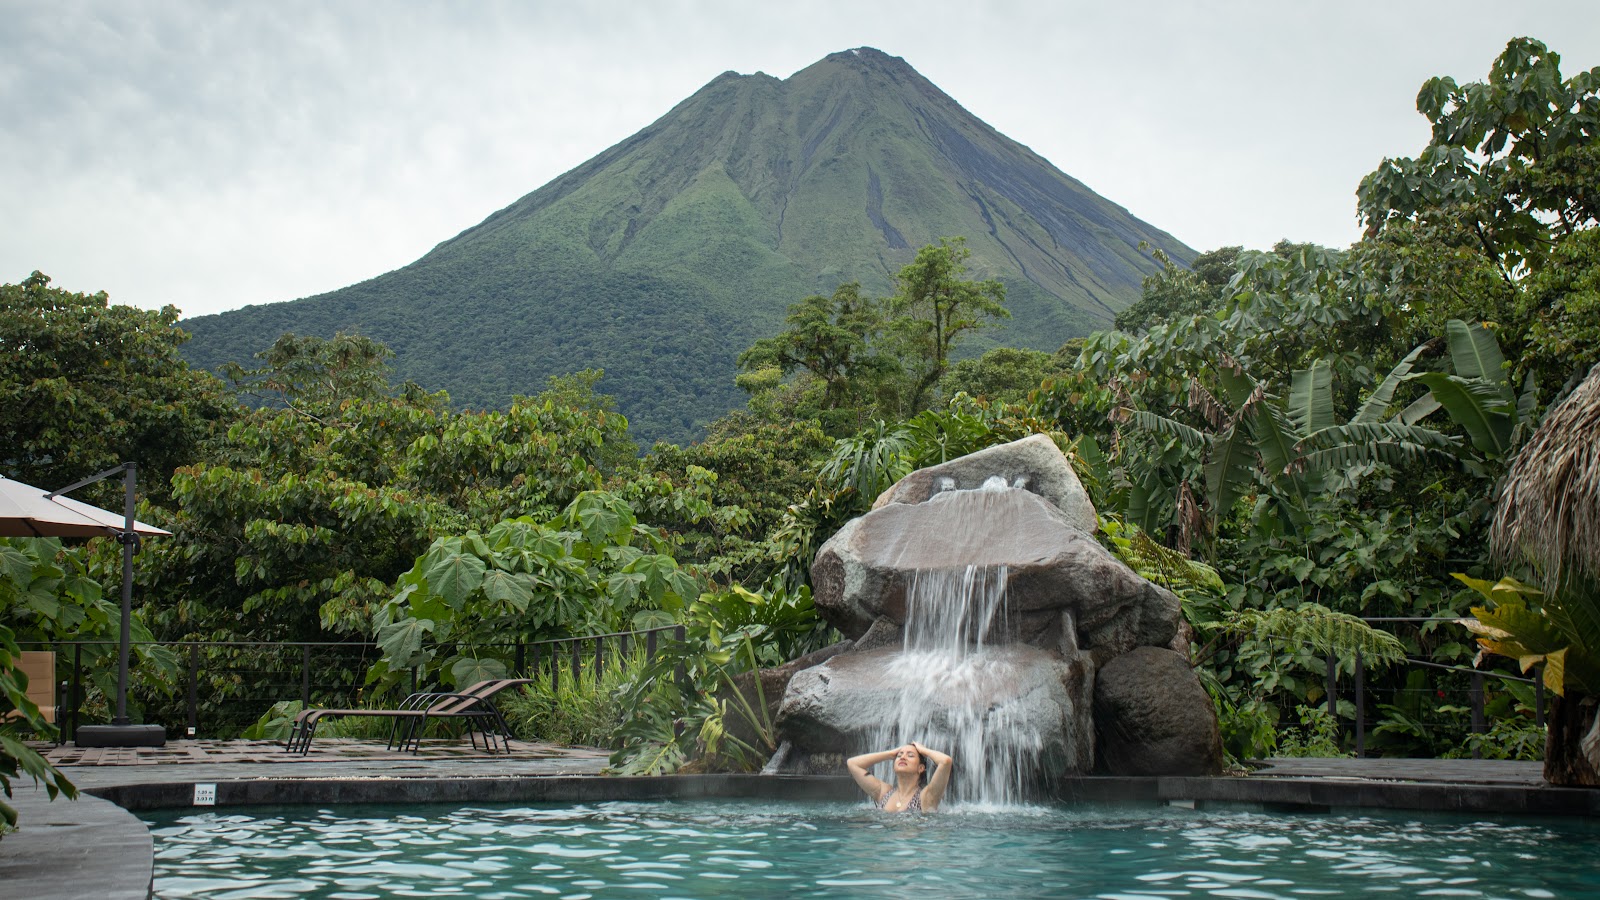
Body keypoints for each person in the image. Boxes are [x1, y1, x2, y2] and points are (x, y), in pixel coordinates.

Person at [846, 741, 954, 812]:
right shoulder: (883, 793)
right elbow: (852, 763)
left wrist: (923, 750)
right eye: (899, 755)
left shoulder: (926, 797)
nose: (903, 757)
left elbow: (945, 761)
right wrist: (889, 754)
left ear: (921, 768)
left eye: (910, 755)